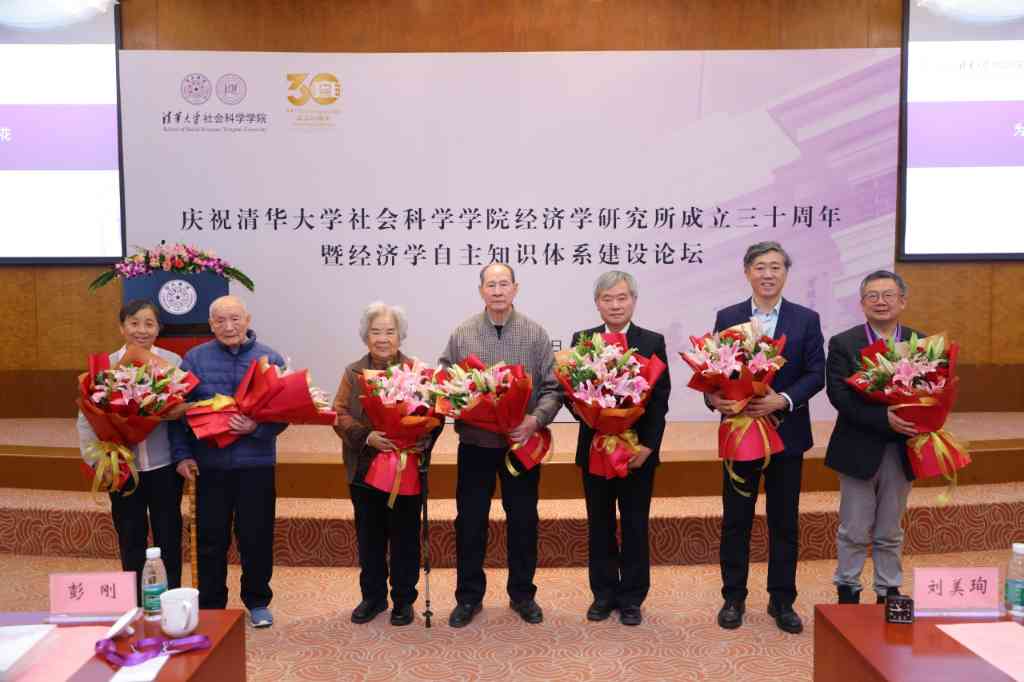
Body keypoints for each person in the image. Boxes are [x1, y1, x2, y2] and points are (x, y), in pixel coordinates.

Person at [708, 241, 825, 634]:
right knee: (735, 520)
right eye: (760, 267)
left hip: (786, 434)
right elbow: (714, 371)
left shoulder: (806, 319)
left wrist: (782, 400)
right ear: (747, 272)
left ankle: (782, 600)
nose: (768, 274)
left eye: (776, 267)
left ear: (786, 273)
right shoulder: (728, 317)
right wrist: (715, 399)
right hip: (740, 433)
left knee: (784, 522)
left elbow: (816, 373)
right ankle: (733, 598)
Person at [439, 262, 561, 628]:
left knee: (523, 520)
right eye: (490, 285)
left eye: (503, 284)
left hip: (519, 445)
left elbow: (553, 387)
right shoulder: (462, 333)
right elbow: (444, 378)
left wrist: (534, 420)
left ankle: (522, 594)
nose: (497, 291)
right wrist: (458, 402)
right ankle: (468, 597)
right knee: (470, 522)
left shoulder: (535, 334)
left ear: (515, 289)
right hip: (476, 444)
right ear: (481, 291)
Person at [170, 295, 287, 628]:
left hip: (256, 465)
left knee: (256, 537)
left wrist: (256, 428)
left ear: (247, 320)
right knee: (210, 539)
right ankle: (212, 606)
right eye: (220, 320)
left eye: (235, 318)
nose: (229, 326)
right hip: (210, 465)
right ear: (211, 324)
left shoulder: (270, 358)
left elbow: (285, 413)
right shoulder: (194, 360)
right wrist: (182, 455)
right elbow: (176, 413)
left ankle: (258, 601)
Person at [568, 271, 671, 626]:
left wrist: (648, 446)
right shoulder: (583, 340)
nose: (615, 305)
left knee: (634, 524)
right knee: (599, 524)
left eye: (622, 297)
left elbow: (659, 400)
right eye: (607, 299)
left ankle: (632, 598)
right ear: (597, 304)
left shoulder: (652, 341)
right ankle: (603, 595)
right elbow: (573, 395)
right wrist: (594, 418)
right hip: (596, 448)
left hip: (636, 453)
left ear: (634, 301)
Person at [332, 301, 442, 626]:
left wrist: (422, 439)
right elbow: (339, 413)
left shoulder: (417, 372)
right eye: (376, 331)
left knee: (405, 538)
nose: (383, 338)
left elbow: (434, 414)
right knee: (370, 537)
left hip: (407, 469)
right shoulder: (353, 372)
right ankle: (373, 597)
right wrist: (367, 436)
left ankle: (404, 600)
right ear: (366, 335)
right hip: (364, 469)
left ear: (400, 335)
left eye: (389, 331)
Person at [77, 299, 189, 605]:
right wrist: (100, 462)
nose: (142, 330)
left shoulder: (172, 363)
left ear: (158, 329)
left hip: (165, 466)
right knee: (130, 536)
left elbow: (183, 415)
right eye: (134, 323)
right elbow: (86, 418)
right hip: (123, 468)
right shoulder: (105, 367)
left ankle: (171, 599)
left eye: (149, 324)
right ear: (122, 327)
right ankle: (135, 604)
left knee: (169, 534)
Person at [825, 270, 920, 604]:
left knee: (890, 528)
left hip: (902, 447)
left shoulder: (920, 343)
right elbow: (839, 395)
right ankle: (848, 588)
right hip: (857, 447)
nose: (881, 302)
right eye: (873, 296)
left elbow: (932, 392)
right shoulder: (844, 343)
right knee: (853, 527)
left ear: (902, 301)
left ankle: (888, 590)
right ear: (862, 303)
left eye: (888, 295)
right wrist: (883, 418)